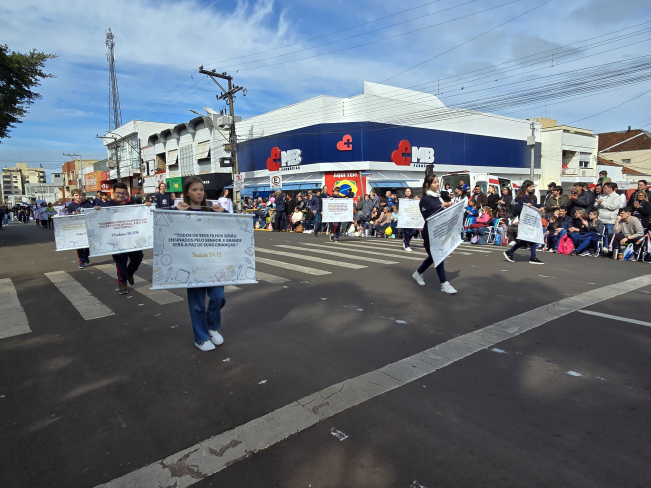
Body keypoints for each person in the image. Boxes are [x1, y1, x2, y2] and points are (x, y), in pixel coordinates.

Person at [175, 176, 227, 352]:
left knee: (218, 296)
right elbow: (168, 229)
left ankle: (212, 327)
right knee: (197, 303)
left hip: (214, 262)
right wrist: (176, 212)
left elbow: (233, 225)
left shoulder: (212, 210)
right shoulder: (180, 210)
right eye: (194, 189)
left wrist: (224, 212)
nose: (199, 193)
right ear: (187, 193)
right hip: (192, 263)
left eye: (201, 189)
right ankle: (201, 337)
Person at [94, 183, 151, 294]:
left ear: (127, 194)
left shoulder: (132, 205)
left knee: (138, 258)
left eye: (123, 193)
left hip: (132, 239)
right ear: (113, 193)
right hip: (116, 241)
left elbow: (141, 216)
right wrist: (96, 211)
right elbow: (100, 221)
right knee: (121, 263)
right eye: (118, 193)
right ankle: (122, 284)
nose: (120, 195)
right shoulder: (106, 206)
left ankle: (129, 273)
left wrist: (146, 206)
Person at [412, 174, 457, 294]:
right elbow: (428, 217)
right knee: (438, 256)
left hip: (440, 232)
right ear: (428, 184)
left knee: (434, 257)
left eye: (438, 182)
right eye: (434, 182)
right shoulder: (425, 200)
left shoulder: (439, 197)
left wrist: (450, 207)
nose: (437, 184)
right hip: (430, 233)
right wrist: (442, 206)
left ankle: (418, 273)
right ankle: (444, 283)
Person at [503, 180, 545, 264]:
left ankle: (510, 252)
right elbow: (516, 209)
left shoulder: (533, 197)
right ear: (525, 187)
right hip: (524, 221)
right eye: (530, 187)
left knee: (529, 238)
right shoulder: (520, 198)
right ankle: (532, 257)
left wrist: (542, 206)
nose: (532, 188)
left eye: (533, 187)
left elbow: (535, 206)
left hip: (532, 220)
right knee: (530, 238)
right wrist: (525, 206)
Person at [67, 189, 93, 269]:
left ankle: (86, 255)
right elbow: (67, 217)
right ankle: (82, 261)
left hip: (86, 227)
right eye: (76, 195)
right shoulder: (71, 206)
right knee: (80, 246)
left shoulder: (87, 204)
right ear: (73, 197)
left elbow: (92, 214)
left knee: (88, 244)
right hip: (77, 229)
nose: (78, 197)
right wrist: (72, 214)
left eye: (80, 195)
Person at [596, 182, 621, 246]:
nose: (603, 189)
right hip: (600, 219)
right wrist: (598, 203)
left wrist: (602, 203)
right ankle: (601, 247)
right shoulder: (602, 196)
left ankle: (608, 247)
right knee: (601, 235)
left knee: (609, 235)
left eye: (605, 188)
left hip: (610, 220)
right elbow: (595, 205)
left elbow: (613, 207)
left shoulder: (617, 197)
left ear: (610, 188)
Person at [401, 188, 417, 252]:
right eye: (406, 191)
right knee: (407, 232)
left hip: (412, 218)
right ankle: (407, 245)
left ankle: (405, 241)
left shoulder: (413, 199)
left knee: (413, 231)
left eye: (409, 191)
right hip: (405, 218)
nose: (408, 192)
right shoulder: (402, 199)